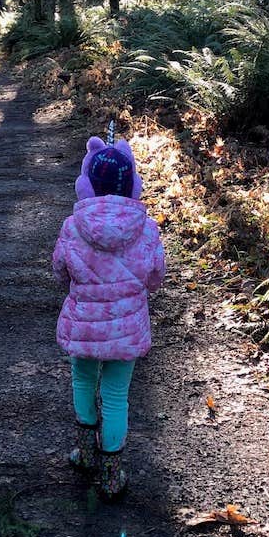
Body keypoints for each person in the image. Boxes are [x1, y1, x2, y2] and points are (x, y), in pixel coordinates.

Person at [53, 135, 166, 499]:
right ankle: (111, 474)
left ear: (87, 184)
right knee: (117, 395)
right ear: (133, 185)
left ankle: (85, 455)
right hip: (127, 327)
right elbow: (156, 277)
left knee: (83, 382)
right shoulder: (146, 228)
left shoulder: (73, 226)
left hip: (84, 322)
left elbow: (60, 270)